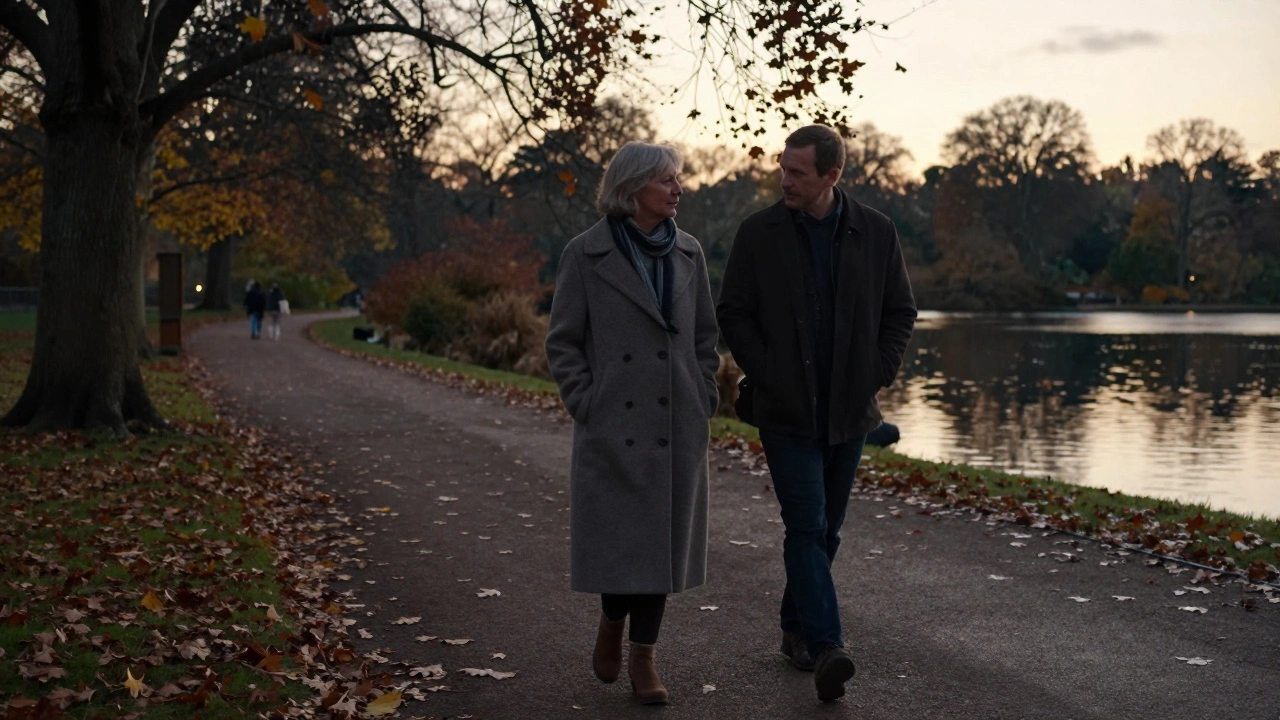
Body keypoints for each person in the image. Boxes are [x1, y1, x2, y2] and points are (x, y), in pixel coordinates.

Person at [717, 124, 916, 703]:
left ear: (832, 176)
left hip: (850, 412)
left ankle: (795, 625)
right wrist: (768, 370)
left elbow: (899, 310)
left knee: (826, 529)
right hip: (784, 412)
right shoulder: (758, 233)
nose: (785, 179)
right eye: (783, 168)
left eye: (798, 172)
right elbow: (733, 310)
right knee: (806, 524)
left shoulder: (876, 231)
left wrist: (876, 369)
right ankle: (828, 645)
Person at [545, 141, 720, 705]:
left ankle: (644, 657)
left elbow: (705, 340)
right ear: (634, 187)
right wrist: (587, 403)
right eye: (668, 180)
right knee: (623, 549)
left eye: (679, 179)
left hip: (676, 424)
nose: (679, 189)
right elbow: (564, 342)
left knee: (661, 551)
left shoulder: (688, 252)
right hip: (613, 426)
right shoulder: (585, 253)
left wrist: (703, 393)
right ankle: (611, 624)